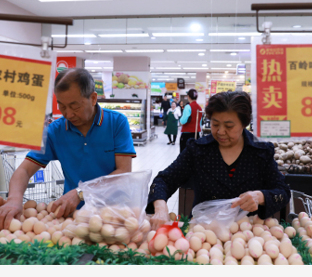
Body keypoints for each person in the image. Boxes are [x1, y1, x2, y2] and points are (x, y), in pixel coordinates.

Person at [0, 68, 136, 230]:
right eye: (62, 106)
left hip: (114, 215)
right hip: (75, 218)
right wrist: (15, 198)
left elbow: (123, 172)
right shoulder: (54, 131)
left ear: (93, 98)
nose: (68, 114)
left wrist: (81, 192)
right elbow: (24, 170)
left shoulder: (116, 123)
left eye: (75, 106)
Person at [146, 91, 291, 230]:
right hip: (203, 232)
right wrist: (160, 207)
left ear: (244, 123)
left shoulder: (261, 152)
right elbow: (164, 180)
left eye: (229, 126)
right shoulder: (198, 150)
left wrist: (261, 196)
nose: (221, 132)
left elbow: (283, 192)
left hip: (248, 234)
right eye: (215, 124)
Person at [179, 89, 202, 153]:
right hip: (196, 134)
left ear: (188, 96)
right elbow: (200, 122)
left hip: (187, 135)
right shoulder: (200, 108)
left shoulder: (188, 107)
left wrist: (180, 120)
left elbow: (183, 121)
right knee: (195, 154)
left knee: (184, 154)